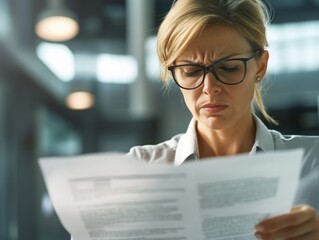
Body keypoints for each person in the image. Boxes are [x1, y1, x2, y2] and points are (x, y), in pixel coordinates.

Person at [127, 0, 319, 239]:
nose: (210, 88)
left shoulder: (313, 165)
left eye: (228, 68)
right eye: (191, 71)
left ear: (260, 67)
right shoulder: (137, 172)